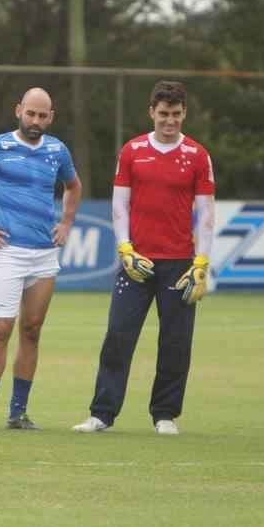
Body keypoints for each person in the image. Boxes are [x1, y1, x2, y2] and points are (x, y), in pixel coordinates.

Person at [72, 81, 215, 436]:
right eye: (164, 114)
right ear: (152, 111)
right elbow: (120, 203)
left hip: (180, 263)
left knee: (175, 341)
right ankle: (102, 414)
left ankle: (164, 414)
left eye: (177, 115)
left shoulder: (197, 155)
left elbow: (207, 213)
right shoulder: (132, 150)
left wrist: (202, 263)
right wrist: (125, 248)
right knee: (118, 336)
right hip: (137, 262)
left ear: (184, 114)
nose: (170, 121)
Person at [0, 87, 81, 431]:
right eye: (30, 113)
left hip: (45, 254)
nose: (35, 121)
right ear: (18, 110)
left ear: (51, 117)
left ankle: (18, 413)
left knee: (32, 331)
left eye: (42, 115)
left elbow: (73, 186)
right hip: (9, 253)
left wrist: (66, 222)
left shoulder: (57, 150)